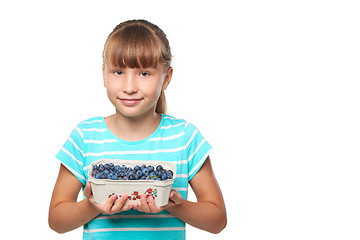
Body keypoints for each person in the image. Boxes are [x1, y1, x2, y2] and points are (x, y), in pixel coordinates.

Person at [48, 19, 227, 240]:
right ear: (104, 74)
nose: (130, 87)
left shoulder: (185, 137)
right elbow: (56, 220)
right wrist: (93, 205)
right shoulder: (85, 137)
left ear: (166, 78)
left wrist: (173, 204)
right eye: (118, 72)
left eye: (144, 73)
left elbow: (217, 220)